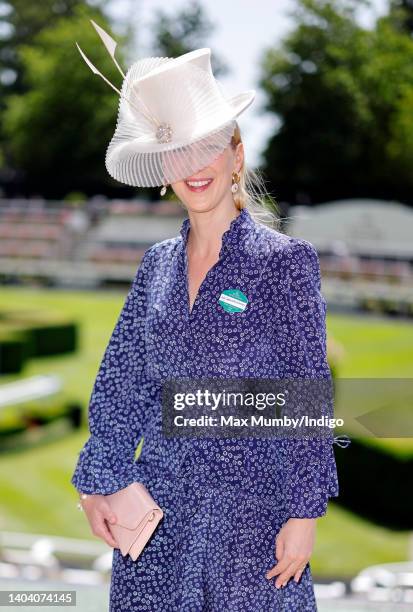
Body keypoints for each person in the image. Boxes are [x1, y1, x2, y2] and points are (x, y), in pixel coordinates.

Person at [72, 24, 341, 611]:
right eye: (179, 152)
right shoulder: (155, 267)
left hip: (254, 526)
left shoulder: (286, 265)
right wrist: (100, 483)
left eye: (209, 147)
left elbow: (304, 395)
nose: (194, 166)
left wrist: (303, 514)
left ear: (236, 155)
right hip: (158, 526)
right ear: (165, 169)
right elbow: (123, 385)